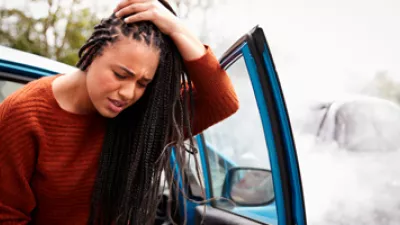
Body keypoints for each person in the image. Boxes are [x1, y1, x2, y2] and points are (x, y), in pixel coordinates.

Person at [0, 0, 239, 224]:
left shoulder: (141, 118)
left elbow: (222, 100)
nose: (128, 93)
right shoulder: (23, 115)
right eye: (121, 75)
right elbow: (7, 215)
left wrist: (177, 29)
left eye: (142, 83)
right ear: (93, 52)